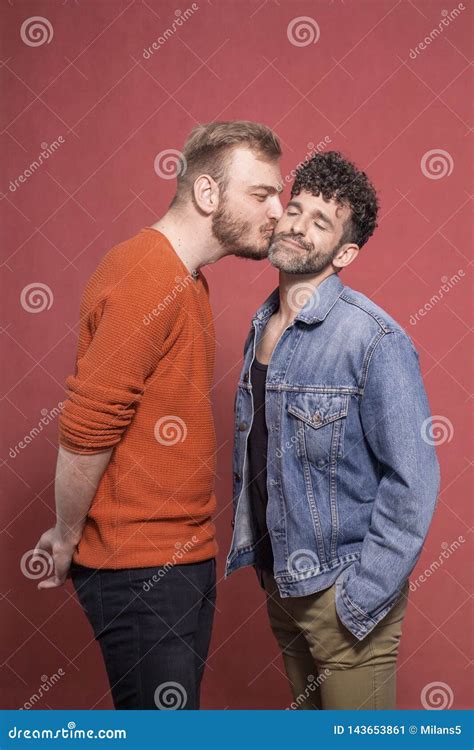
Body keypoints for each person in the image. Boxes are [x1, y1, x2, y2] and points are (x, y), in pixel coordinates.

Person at [35, 120, 284, 710]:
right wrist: (67, 536)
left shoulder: (187, 280)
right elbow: (88, 426)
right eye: (261, 193)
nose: (278, 209)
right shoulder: (144, 274)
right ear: (206, 194)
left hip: (183, 557)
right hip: (138, 568)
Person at [225, 150, 440, 709]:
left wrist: (360, 597)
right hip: (281, 587)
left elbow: (413, 480)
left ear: (344, 252)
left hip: (343, 595)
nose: (297, 224)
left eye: (320, 221)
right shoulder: (262, 324)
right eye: (295, 209)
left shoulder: (372, 339)